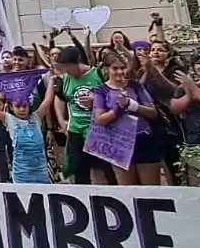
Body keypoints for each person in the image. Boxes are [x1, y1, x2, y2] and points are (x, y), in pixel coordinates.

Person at [91, 55, 162, 185]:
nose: (120, 72)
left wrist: (132, 105)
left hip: (143, 139)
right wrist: (119, 108)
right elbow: (100, 119)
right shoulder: (101, 90)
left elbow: (152, 112)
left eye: (123, 68)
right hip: (119, 143)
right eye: (115, 68)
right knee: (128, 189)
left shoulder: (135, 86)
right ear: (107, 69)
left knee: (152, 188)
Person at [53, 46, 113, 184]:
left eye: (69, 67)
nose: (67, 71)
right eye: (64, 68)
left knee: (104, 169)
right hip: (75, 131)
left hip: (97, 130)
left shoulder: (97, 74)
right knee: (79, 170)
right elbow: (61, 98)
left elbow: (113, 96)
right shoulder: (66, 78)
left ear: (78, 62)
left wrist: (96, 100)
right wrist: (62, 121)